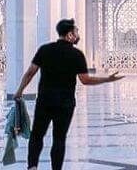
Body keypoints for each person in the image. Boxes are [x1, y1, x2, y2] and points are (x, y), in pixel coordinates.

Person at [13, 18, 123, 170]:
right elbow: (85, 80)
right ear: (70, 35)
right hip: (65, 104)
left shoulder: (45, 49)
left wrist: (19, 91)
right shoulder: (76, 54)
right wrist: (107, 79)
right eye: (76, 32)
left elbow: (30, 72)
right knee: (59, 138)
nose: (78, 35)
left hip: (45, 101)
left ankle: (32, 167)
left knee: (37, 135)